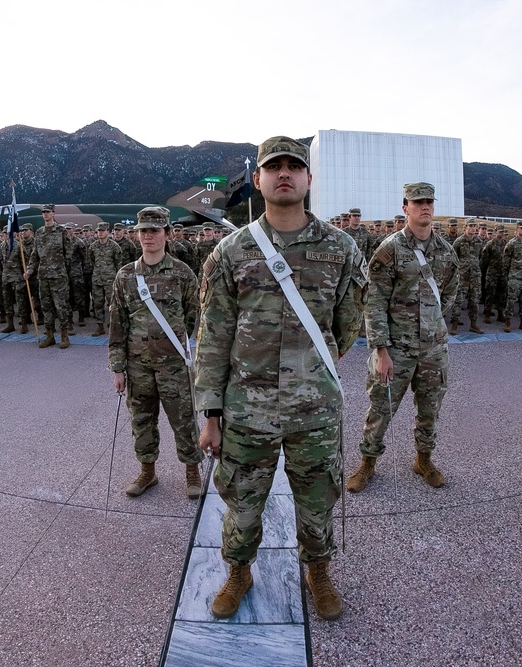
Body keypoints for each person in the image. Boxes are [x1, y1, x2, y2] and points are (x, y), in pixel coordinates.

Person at [194, 136, 366, 622]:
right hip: (248, 411)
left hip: (315, 410)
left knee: (317, 501)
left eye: (295, 166)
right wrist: (211, 414)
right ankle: (239, 572)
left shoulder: (341, 248)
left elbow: (347, 325)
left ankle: (318, 571)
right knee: (242, 504)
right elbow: (212, 338)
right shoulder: (231, 253)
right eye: (275, 167)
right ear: (259, 180)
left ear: (309, 179)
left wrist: (314, 370)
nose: (285, 174)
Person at [347, 182, 459, 494]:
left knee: (430, 407)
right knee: (380, 408)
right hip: (396, 348)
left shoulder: (446, 252)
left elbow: (449, 292)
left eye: (429, 201)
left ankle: (423, 460)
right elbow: (374, 301)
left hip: (433, 348)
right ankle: (367, 463)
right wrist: (381, 350)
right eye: (417, 201)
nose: (425, 206)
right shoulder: (390, 250)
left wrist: (431, 321)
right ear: (405, 207)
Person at [108, 207, 203, 499]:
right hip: (138, 366)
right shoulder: (125, 276)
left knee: (183, 419)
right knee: (141, 420)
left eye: (154, 230)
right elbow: (117, 322)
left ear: (167, 234)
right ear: (137, 235)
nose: (148, 236)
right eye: (143, 231)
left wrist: (174, 341)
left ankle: (192, 471)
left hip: (173, 365)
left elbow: (193, 313)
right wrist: (117, 367)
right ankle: (147, 471)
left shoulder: (182, 273)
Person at [25, 204, 73, 348]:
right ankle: (50, 335)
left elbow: (69, 253)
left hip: (59, 276)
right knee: (46, 307)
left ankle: (64, 336)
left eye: (48, 212)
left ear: (54, 214)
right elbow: (34, 255)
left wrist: (62, 268)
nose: (45, 214)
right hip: (43, 276)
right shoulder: (39, 233)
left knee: (61, 306)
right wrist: (29, 270)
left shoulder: (61, 231)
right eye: (43, 212)